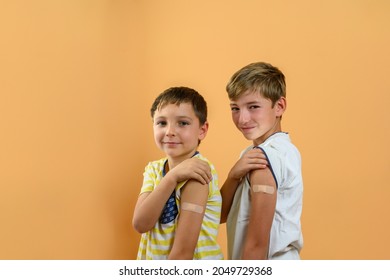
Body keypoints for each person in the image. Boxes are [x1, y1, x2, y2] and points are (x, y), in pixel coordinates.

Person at [220, 62, 303, 260]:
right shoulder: (279, 150)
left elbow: (257, 244)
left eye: (253, 107)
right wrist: (233, 175)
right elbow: (221, 215)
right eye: (235, 108)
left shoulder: (264, 159)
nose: (242, 119)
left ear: (279, 106)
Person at [132, 86, 223, 260]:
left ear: (202, 130)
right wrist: (172, 177)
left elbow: (183, 253)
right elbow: (141, 223)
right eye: (162, 122)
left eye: (182, 123)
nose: (170, 131)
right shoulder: (154, 169)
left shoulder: (199, 174)